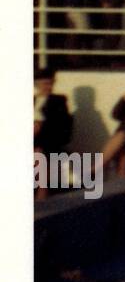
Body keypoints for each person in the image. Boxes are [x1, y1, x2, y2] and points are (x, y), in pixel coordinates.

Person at [34, 68, 74, 199]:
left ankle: (41, 203)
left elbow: (62, 129)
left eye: (50, 83)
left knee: (39, 155)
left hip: (49, 143)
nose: (48, 87)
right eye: (45, 83)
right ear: (36, 84)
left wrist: (40, 126)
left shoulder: (58, 101)